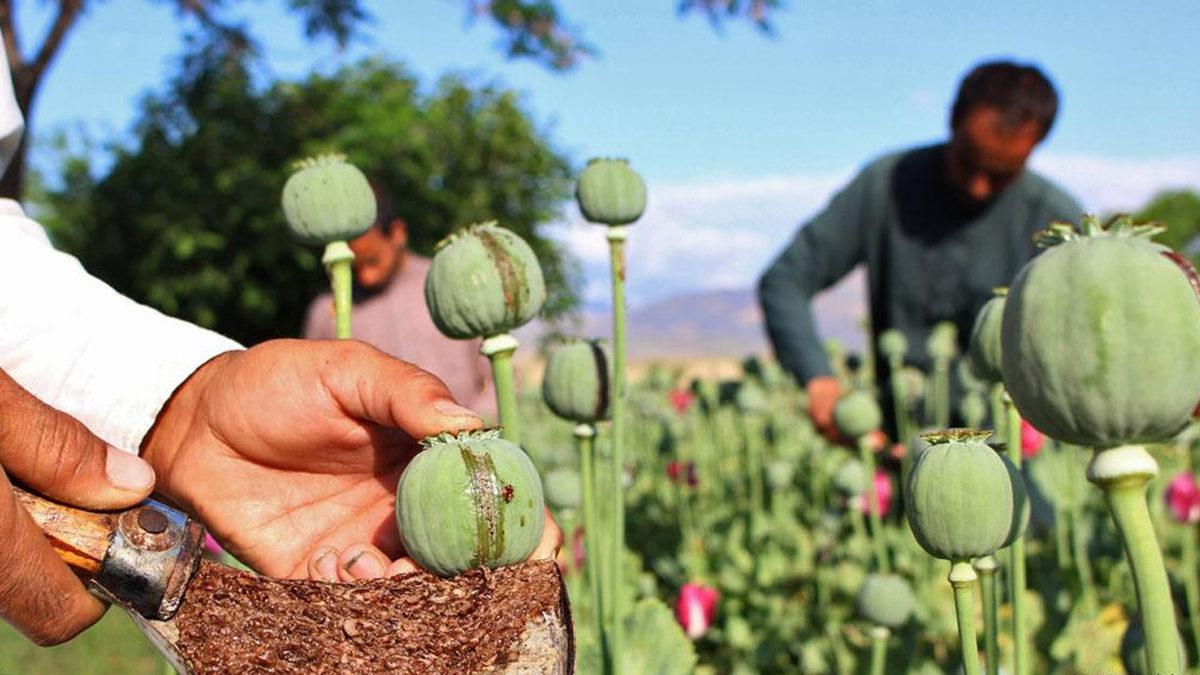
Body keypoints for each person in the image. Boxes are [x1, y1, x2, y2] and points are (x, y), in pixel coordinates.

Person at [0, 39, 556, 646]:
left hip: (451, 484)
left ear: (398, 234)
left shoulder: (438, 285)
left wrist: (181, 402)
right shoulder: (325, 308)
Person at [758, 60, 1084, 438]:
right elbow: (785, 280)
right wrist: (818, 377)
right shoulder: (886, 186)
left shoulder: (1055, 221)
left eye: (1000, 175)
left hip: (1013, 456)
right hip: (900, 446)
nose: (978, 187)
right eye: (968, 161)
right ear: (952, 119)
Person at [303, 186, 495, 417]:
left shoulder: (451, 284)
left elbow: (500, 377)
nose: (366, 276)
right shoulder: (326, 312)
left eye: (372, 261)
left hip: (469, 441)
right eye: (355, 267)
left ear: (397, 233)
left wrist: (475, 429)